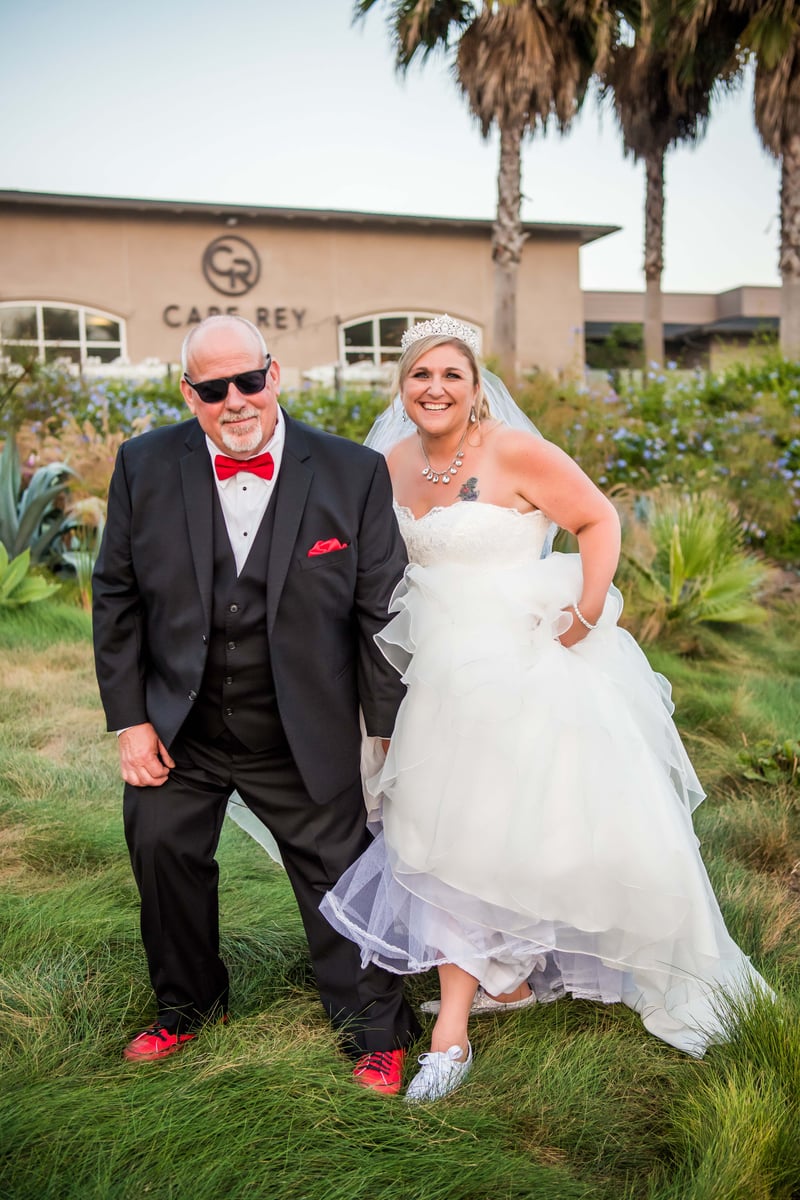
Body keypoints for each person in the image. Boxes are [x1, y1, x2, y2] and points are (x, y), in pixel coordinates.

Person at [321, 314, 773, 1102]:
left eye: (452, 374)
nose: (435, 388)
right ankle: (500, 983)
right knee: (437, 831)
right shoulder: (388, 465)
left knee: (498, 830)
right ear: (401, 385)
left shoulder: (515, 451)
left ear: (475, 387)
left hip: (515, 661)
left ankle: (452, 1031)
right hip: (430, 670)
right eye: (420, 374)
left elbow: (597, 518)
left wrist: (588, 613)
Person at [92, 314, 420, 1091]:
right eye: (214, 389)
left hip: (300, 725)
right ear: (189, 394)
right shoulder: (143, 464)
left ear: (274, 375)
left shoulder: (351, 472)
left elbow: (380, 612)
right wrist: (130, 721)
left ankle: (374, 1030)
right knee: (161, 848)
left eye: (247, 380)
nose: (234, 400)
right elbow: (117, 596)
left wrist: (385, 731)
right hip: (182, 725)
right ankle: (188, 1007)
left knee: (340, 871)